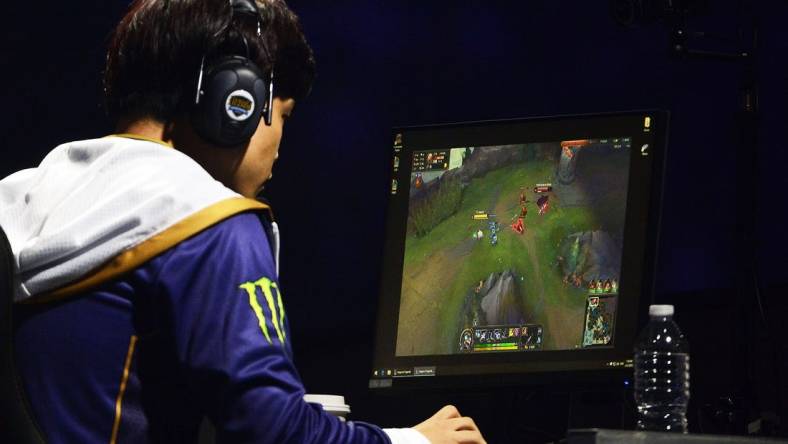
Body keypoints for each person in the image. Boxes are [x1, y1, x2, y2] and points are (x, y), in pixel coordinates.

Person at [0, 1, 486, 443]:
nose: (279, 146)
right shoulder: (208, 222)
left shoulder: (22, 198)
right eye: (284, 115)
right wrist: (416, 442)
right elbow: (272, 431)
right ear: (237, 100)